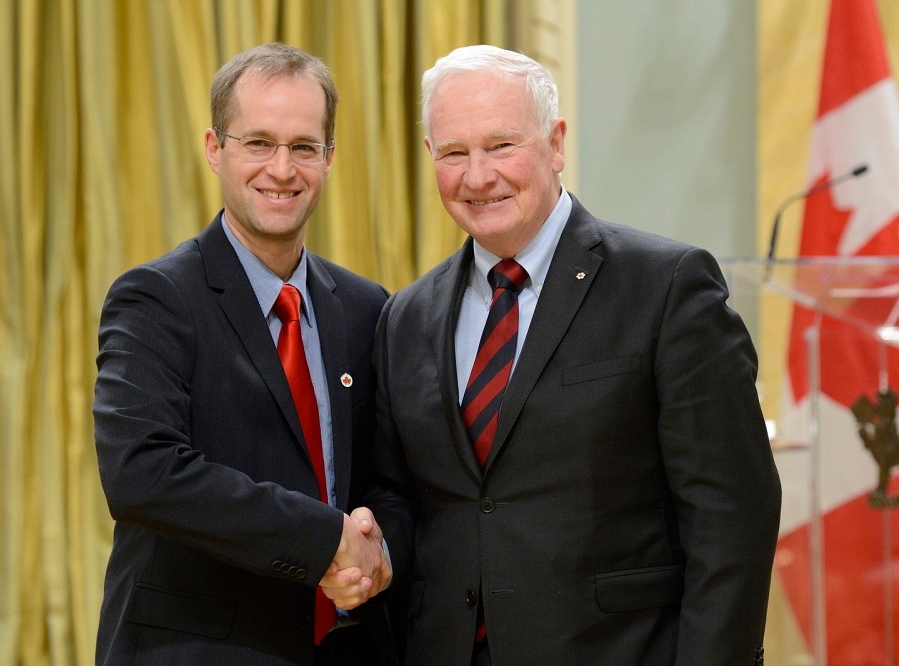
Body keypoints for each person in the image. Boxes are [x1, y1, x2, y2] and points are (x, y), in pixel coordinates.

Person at [361, 45, 782, 665]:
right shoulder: (405, 317)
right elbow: (403, 498)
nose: (478, 176)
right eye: (454, 153)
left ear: (555, 144)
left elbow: (732, 517)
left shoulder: (665, 288)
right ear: (431, 158)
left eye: (501, 145)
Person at [93, 43, 394, 665]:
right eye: (258, 143)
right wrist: (324, 540)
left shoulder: (367, 308)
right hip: (193, 650)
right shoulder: (157, 297)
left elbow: (389, 478)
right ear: (215, 148)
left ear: (330, 159)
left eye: (304, 147)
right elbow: (141, 473)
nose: (281, 169)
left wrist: (377, 556)